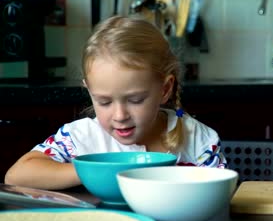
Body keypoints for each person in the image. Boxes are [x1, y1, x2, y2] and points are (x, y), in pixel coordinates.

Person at [5, 15, 226, 190]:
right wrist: (95, 171)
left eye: (135, 100)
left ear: (165, 89)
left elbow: (221, 195)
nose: (120, 115)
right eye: (104, 101)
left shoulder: (199, 141)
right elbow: (17, 175)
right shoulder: (79, 138)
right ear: (89, 91)